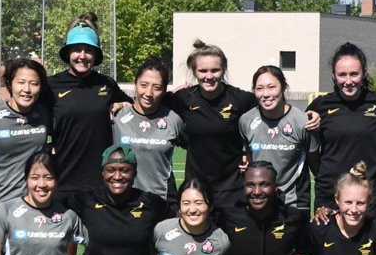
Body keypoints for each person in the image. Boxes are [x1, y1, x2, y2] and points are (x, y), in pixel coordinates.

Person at [44, 12, 131, 201]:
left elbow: (137, 107)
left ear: (96, 54)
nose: (82, 56)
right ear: (68, 52)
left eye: (89, 50)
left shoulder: (106, 84)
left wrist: (124, 104)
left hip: (101, 184)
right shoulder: (50, 85)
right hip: (62, 181)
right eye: (77, 49)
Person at [306, 43, 376, 217]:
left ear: (363, 74)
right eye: (342, 75)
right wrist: (324, 175)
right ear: (333, 76)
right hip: (329, 193)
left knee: (369, 244)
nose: (348, 81)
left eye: (354, 74)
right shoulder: (321, 105)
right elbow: (309, 150)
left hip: (367, 194)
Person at [165, 40, 257, 210]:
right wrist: (122, 104)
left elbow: (271, 111)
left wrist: (249, 153)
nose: (209, 76)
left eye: (215, 70)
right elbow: (149, 104)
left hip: (232, 189)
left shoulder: (241, 99)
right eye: (203, 70)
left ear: (223, 70)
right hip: (196, 189)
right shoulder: (184, 98)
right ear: (194, 72)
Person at [239, 65, 316, 211]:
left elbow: (316, 166)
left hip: (294, 203)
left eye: (271, 87)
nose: (266, 94)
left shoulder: (302, 122)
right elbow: (248, 157)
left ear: (283, 87)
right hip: (259, 202)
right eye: (259, 88)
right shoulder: (246, 120)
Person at [0, 58, 52, 210]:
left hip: (38, 204)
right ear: (10, 84)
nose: (27, 89)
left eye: (34, 83)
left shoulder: (45, 114)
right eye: (21, 82)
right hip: (0, 204)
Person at [112, 58, 186, 202]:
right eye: (144, 85)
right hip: (124, 202)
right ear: (135, 85)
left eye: (156, 87)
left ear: (164, 90)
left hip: (161, 203)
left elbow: (196, 150)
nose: (149, 93)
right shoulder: (117, 116)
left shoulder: (173, 120)